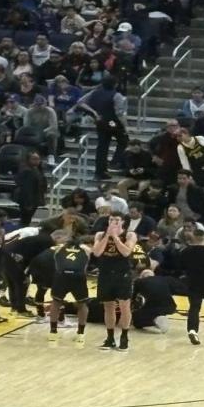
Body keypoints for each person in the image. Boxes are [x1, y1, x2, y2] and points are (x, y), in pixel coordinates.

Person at [93, 211, 137, 351]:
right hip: (105, 274)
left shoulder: (129, 235)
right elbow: (97, 252)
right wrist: (108, 236)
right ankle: (110, 338)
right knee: (108, 306)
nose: (114, 222)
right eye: (111, 219)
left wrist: (116, 237)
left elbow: (126, 252)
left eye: (117, 220)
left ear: (123, 222)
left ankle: (124, 336)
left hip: (122, 274)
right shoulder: (100, 234)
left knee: (125, 306)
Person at [75, 76, 128, 180]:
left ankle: (100, 171)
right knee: (124, 140)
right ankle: (115, 161)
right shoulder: (116, 95)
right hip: (112, 122)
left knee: (102, 146)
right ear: (115, 84)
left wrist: (93, 112)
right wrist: (125, 126)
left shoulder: (94, 92)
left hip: (100, 121)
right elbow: (119, 113)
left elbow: (80, 102)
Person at [48, 237, 92, 345]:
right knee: (82, 304)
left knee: (56, 303)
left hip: (61, 277)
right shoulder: (86, 249)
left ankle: (53, 332)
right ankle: (80, 334)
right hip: (78, 278)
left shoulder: (59, 248)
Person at [177, 126, 204, 199]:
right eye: (177, 136)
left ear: (187, 134)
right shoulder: (180, 147)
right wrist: (190, 177)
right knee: (198, 192)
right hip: (196, 170)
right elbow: (185, 164)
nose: (178, 138)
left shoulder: (200, 139)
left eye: (180, 136)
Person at [16, 151, 47, 226]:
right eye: (34, 159)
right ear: (28, 160)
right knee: (24, 220)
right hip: (27, 201)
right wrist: (28, 203)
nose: (37, 161)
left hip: (35, 199)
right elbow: (26, 189)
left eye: (38, 159)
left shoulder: (38, 170)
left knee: (27, 220)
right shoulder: (26, 171)